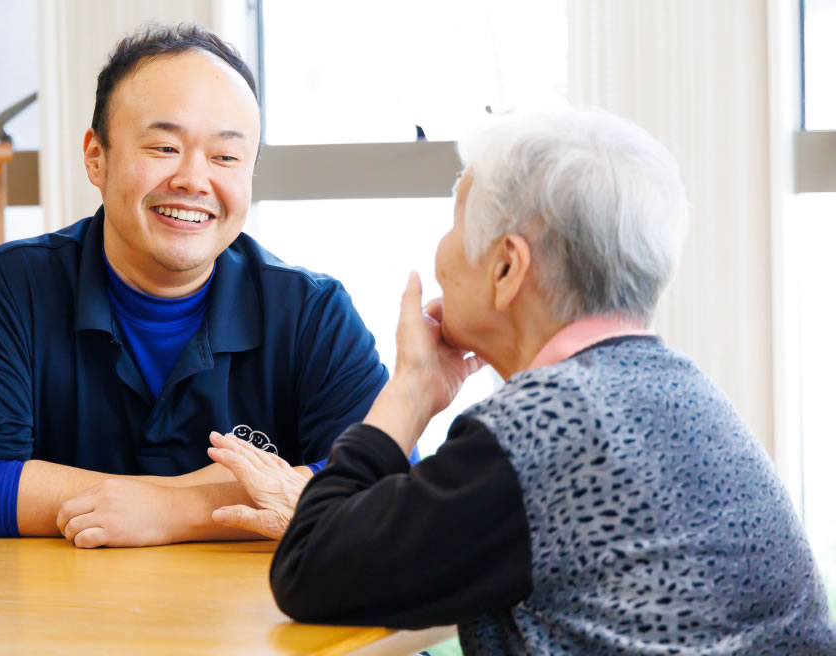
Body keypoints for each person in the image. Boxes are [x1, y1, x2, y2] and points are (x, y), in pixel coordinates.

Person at [210, 109, 836, 653]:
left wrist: (408, 392)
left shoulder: (540, 431)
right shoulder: (681, 392)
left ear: (507, 266)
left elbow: (312, 571)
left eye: (455, 223)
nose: (441, 252)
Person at [0, 23, 413, 546]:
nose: (193, 180)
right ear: (96, 156)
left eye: (225, 157)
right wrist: (258, 491)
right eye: (163, 147)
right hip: (60, 616)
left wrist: (171, 512)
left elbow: (383, 481)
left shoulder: (311, 311)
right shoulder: (14, 286)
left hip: (249, 621)